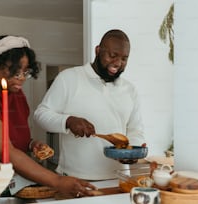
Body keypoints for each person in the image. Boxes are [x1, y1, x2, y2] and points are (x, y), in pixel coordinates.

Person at [0, 35, 96, 197]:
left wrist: (31, 144)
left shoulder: (16, 93)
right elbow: (3, 151)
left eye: (25, 71)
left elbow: (11, 136)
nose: (21, 78)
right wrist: (57, 181)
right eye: (14, 71)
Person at [34, 29, 145, 180]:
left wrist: (132, 151)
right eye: (112, 56)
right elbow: (40, 115)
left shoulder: (130, 90)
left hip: (119, 180)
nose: (118, 63)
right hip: (75, 179)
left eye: (124, 59)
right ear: (98, 51)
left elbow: (135, 130)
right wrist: (68, 121)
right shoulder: (69, 78)